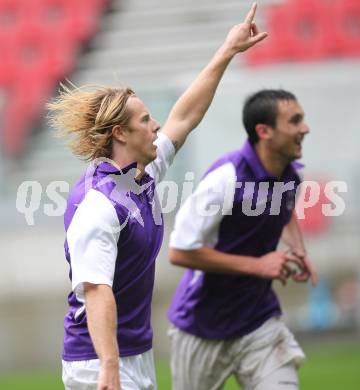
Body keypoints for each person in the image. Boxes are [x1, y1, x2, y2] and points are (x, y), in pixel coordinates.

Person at [47, 3, 267, 390]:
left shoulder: (140, 174)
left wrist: (227, 50)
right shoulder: (98, 205)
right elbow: (97, 292)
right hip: (96, 361)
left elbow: (185, 117)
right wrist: (109, 368)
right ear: (120, 134)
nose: (157, 126)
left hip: (134, 354)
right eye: (146, 120)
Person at [167, 89, 318, 390]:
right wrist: (259, 266)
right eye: (295, 121)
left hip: (259, 321)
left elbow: (284, 210)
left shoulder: (290, 176)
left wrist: (298, 249)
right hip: (202, 325)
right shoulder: (226, 178)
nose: (305, 128)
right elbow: (179, 253)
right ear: (264, 131)